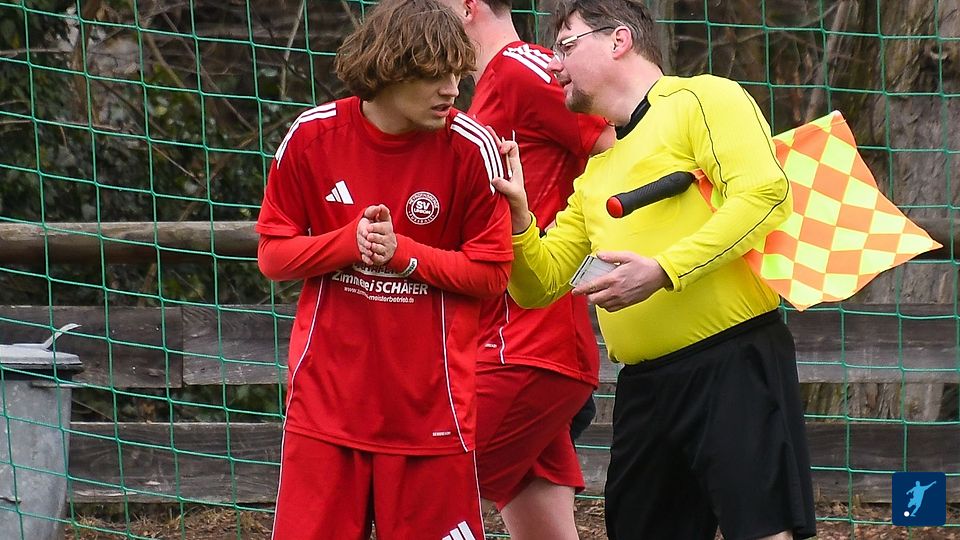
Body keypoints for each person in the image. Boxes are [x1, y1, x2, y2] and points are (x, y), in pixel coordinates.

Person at [490, 1, 817, 539]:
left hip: (733, 363)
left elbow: (765, 194)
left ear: (618, 41)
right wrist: (521, 219)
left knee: (763, 529)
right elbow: (538, 284)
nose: (554, 64)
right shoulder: (596, 174)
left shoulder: (703, 98)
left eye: (566, 45)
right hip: (643, 387)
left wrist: (664, 270)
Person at [254, 1, 512, 538]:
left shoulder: (474, 148)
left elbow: (492, 275)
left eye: (457, 74)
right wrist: (347, 243)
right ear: (390, 69)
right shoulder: (311, 137)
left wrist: (406, 255)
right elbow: (273, 255)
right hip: (325, 412)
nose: (452, 90)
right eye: (435, 75)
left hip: (431, 415)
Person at [438, 1, 614, 538]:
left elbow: (627, 144)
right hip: (500, 334)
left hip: (530, 344)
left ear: (467, 6)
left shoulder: (526, 69)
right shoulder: (485, 90)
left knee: (426, 482)